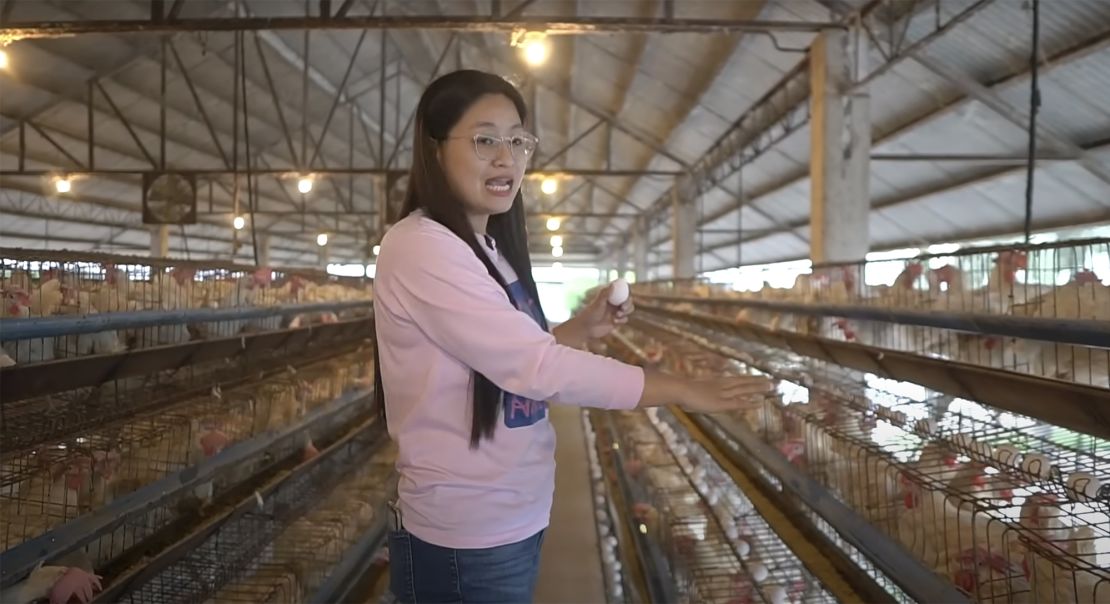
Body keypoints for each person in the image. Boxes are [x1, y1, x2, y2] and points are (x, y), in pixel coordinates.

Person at [372, 70, 772, 603]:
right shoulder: (421, 245)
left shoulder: (486, 249)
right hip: (466, 532)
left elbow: (508, 359)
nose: (506, 157)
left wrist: (579, 330)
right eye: (485, 139)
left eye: (518, 141)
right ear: (435, 150)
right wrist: (677, 387)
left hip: (511, 515)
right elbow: (534, 368)